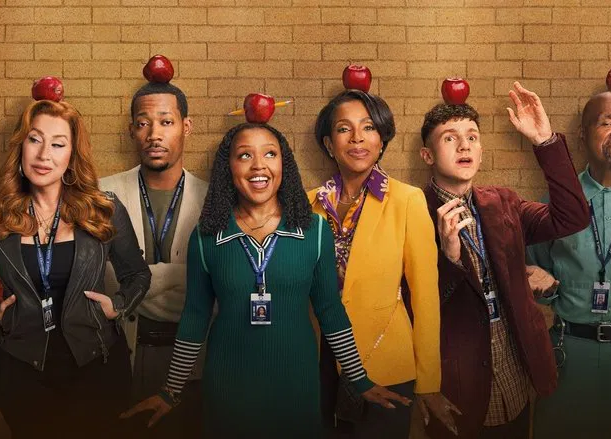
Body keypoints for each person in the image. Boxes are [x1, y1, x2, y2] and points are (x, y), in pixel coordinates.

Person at [121, 122, 407, 438]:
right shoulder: (206, 237)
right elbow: (195, 317)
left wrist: (358, 378)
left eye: (270, 154)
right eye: (244, 155)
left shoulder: (314, 231)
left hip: (296, 384)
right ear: (228, 168)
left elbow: (329, 310)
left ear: (283, 163)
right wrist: (171, 391)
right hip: (228, 388)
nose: (259, 165)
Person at [0, 97, 151, 439]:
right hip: (20, 371)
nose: (44, 155)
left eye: (58, 144)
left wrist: (118, 307)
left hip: (97, 367)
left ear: (71, 156)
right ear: (21, 147)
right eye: (35, 139)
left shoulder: (105, 210)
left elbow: (137, 275)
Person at [417, 82, 589, 439]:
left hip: (515, 371)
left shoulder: (504, 203)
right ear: (427, 155)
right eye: (450, 138)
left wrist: (545, 142)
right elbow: (407, 307)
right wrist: (450, 258)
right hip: (456, 381)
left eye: (472, 137)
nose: (465, 145)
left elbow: (572, 218)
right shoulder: (413, 213)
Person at [309, 88, 452, 438]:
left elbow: (425, 296)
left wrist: (429, 381)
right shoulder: (307, 204)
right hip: (316, 360)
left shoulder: (407, 200)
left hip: (386, 362)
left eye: (369, 127)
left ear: (382, 139)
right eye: (344, 129)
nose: (357, 137)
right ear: (329, 144)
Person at [527, 90, 611, 439]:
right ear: (582, 134)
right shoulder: (556, 202)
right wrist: (542, 285)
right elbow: (533, 274)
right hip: (571, 355)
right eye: (607, 122)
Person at [99, 78, 208, 437]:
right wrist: (180, 276)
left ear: (186, 126)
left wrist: (138, 282)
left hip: (191, 361)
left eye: (166, 121)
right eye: (144, 123)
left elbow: (213, 290)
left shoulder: (214, 200)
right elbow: (103, 281)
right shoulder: (103, 194)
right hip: (119, 355)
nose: (154, 134)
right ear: (132, 130)